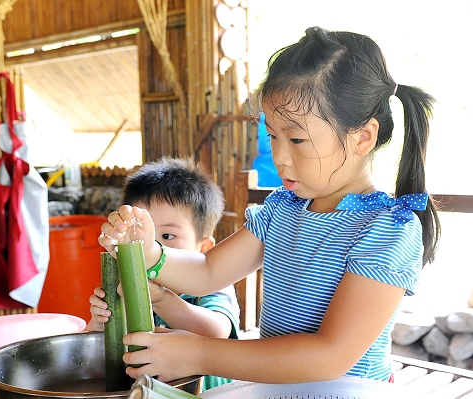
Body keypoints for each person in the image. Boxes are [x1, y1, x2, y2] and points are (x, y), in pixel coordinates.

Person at [99, 26, 441, 384]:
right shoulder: (284, 209)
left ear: (362, 137)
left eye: (297, 139)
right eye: (273, 136)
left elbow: (330, 355)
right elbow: (207, 272)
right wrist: (150, 253)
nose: (280, 156)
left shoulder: (387, 229)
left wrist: (198, 353)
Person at [86, 157, 240, 391]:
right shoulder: (123, 284)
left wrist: (160, 299)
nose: (150, 246)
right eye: (140, 237)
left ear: (204, 249)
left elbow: (216, 332)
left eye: (167, 237)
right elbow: (90, 350)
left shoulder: (212, 284)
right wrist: (100, 323)